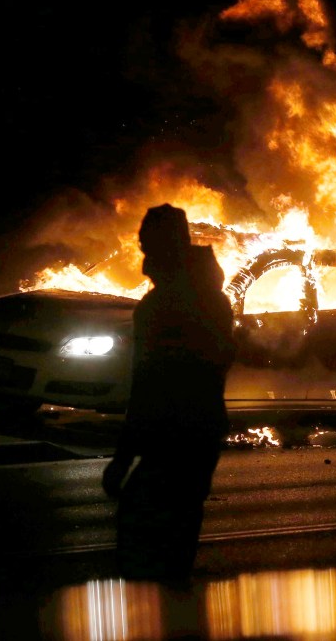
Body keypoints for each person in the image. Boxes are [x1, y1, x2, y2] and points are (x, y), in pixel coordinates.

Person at [102, 203, 236, 585]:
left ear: (168, 248)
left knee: (146, 544)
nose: (144, 259)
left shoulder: (161, 307)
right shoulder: (212, 300)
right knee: (176, 540)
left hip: (175, 438)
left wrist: (122, 459)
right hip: (200, 433)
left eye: (149, 246)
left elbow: (148, 385)